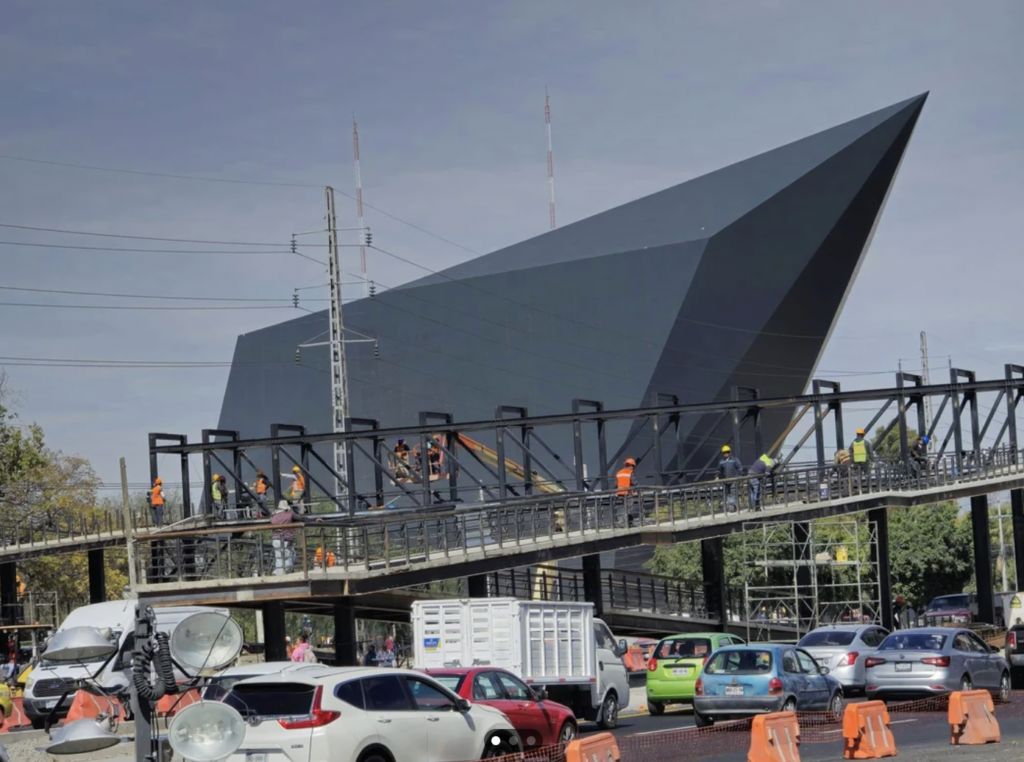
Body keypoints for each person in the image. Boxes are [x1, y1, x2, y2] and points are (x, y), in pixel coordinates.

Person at [270, 499, 320, 575]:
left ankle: (278, 574)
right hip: (286, 539)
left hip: (275, 539)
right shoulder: (289, 514)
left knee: (278, 559)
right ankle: (281, 572)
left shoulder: (273, 515)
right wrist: (314, 520)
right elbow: (301, 518)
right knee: (290, 557)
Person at [717, 445, 743, 512]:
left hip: (733, 480)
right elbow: (718, 470)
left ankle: (732, 507)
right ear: (723, 453)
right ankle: (732, 506)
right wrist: (718, 477)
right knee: (728, 494)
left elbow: (740, 468)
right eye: (725, 452)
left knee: (733, 493)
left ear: (729, 452)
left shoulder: (734, 460)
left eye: (727, 452)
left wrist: (738, 477)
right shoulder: (721, 461)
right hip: (725, 481)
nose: (726, 453)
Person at [616, 457, 639, 526]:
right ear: (632, 465)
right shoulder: (630, 473)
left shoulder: (619, 472)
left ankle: (629, 522)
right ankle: (622, 521)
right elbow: (634, 482)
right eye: (633, 466)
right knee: (629, 508)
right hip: (627, 493)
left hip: (620, 493)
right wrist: (639, 488)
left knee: (626, 507)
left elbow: (616, 484)